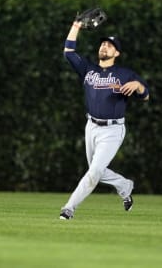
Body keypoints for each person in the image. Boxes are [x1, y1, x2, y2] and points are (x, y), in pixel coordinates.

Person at [59, 19, 150, 220]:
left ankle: (69, 209)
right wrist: (76, 26)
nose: (104, 46)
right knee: (96, 171)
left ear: (116, 53)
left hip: (112, 130)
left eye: (110, 45)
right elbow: (68, 52)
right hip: (91, 126)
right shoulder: (88, 69)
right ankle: (125, 185)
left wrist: (138, 85)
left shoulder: (125, 74)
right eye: (103, 44)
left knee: (94, 173)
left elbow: (146, 96)